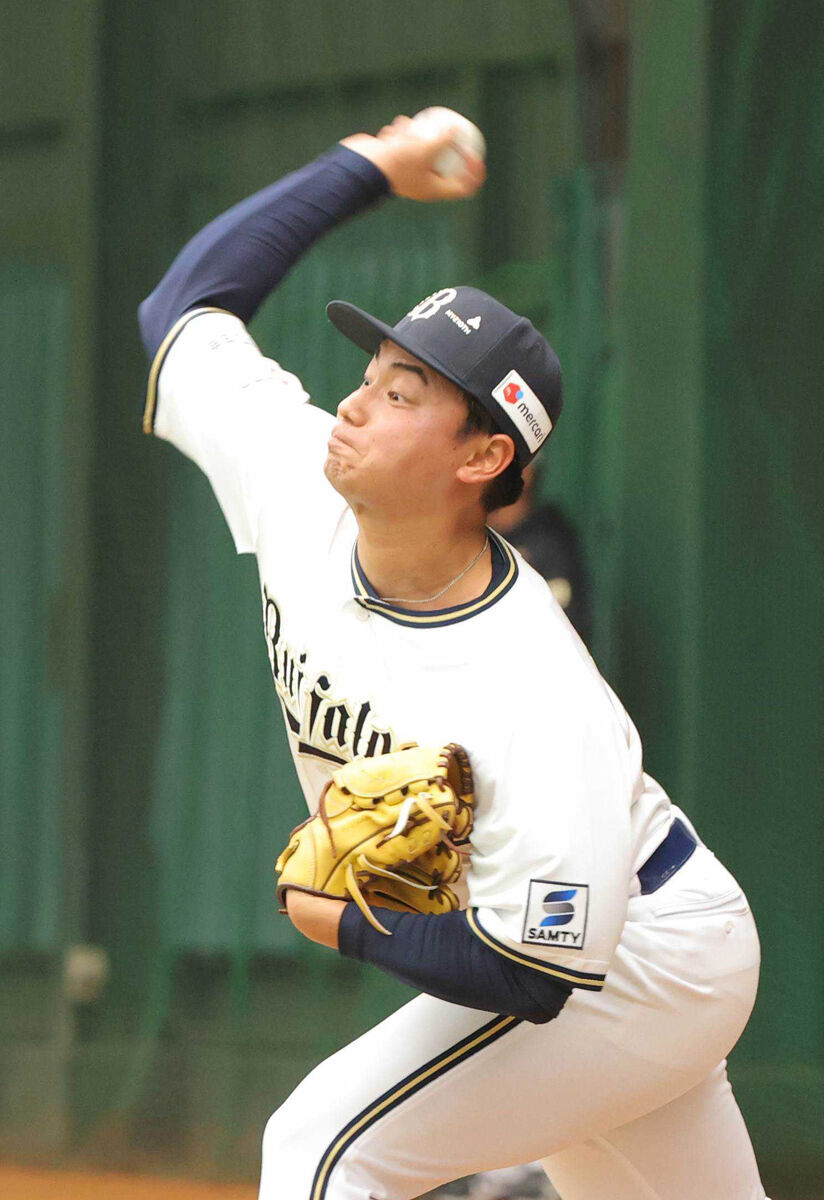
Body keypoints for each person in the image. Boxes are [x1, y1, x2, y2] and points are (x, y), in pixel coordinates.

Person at [138, 115, 768, 1200]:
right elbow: (181, 312)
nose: (353, 402)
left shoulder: (530, 681)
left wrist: (345, 923)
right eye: (370, 371)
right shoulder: (298, 474)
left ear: (483, 456)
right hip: (596, 945)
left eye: (401, 394)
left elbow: (535, 972)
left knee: (324, 1147)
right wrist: (367, 167)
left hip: (637, 952)